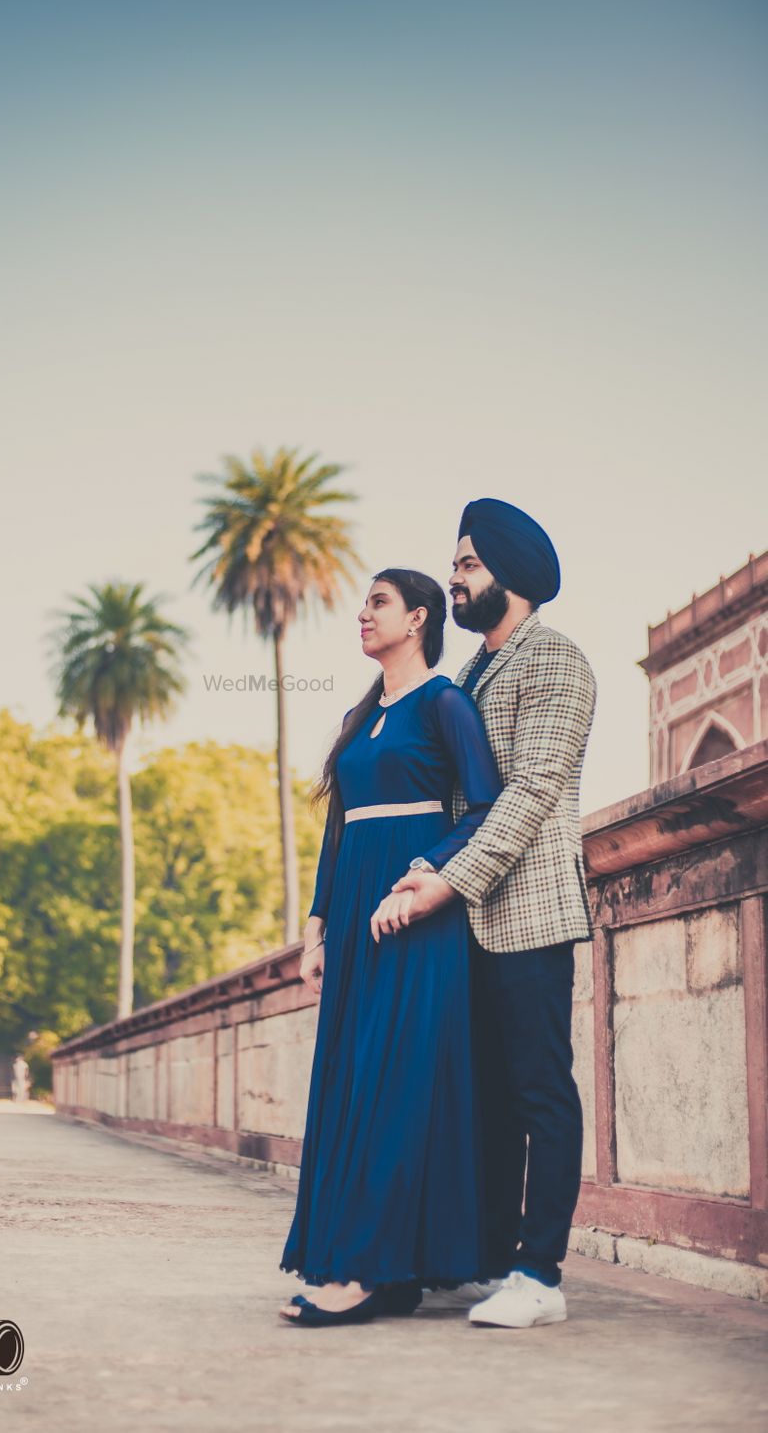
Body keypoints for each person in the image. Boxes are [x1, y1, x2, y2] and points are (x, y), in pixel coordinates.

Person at [374, 498, 596, 1329]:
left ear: (512, 574)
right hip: (462, 920)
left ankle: (540, 1277)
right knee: (489, 1098)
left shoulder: (557, 661)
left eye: (467, 565)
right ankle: (492, 1260)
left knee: (541, 1093)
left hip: (528, 912)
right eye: (457, 565)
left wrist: (447, 879)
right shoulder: (464, 676)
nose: (456, 578)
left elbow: (534, 793)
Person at [278, 567, 502, 1326]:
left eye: (377, 603)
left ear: (418, 618)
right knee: (350, 1083)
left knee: (397, 1083)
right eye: (363, 603)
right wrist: (317, 931)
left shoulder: (447, 703)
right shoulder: (359, 713)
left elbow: (486, 810)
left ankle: (366, 1272)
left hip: (413, 913)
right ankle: (391, 1268)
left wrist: (425, 875)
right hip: (354, 917)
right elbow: (337, 831)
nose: (362, 614)